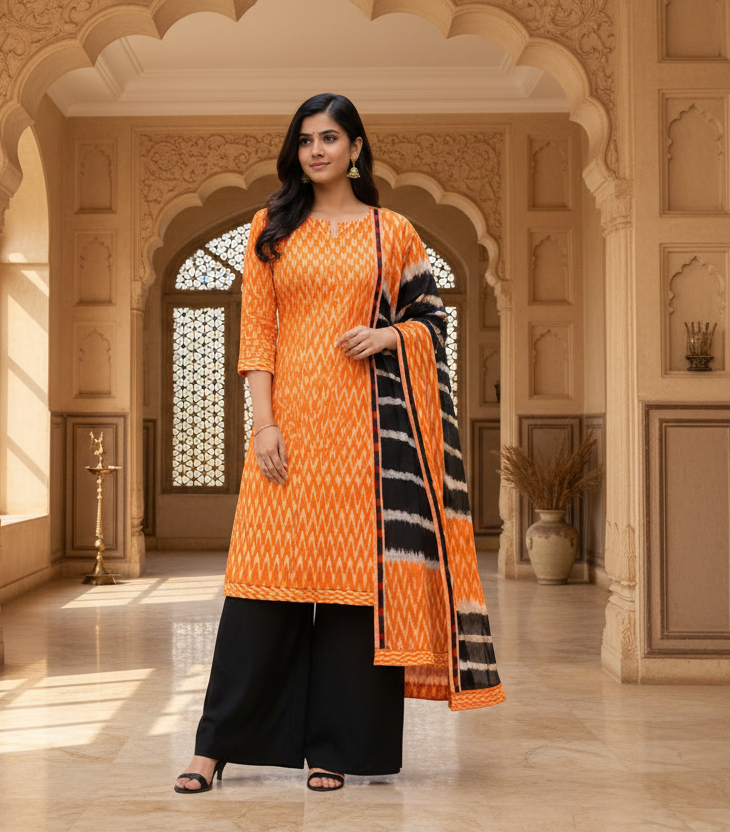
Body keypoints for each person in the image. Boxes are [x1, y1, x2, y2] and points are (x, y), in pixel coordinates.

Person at [175, 93, 504, 796]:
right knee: (260, 589)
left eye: (329, 138)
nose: (316, 151)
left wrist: (390, 335)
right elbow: (257, 334)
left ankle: (337, 748)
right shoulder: (271, 228)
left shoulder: (393, 231)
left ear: (356, 147)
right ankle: (214, 746)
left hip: (369, 440)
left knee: (355, 601)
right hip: (289, 433)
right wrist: (264, 423)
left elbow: (432, 321)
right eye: (305, 140)